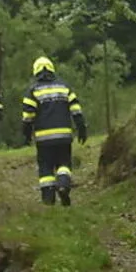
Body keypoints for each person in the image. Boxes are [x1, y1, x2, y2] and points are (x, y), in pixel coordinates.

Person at [22, 57, 86, 206]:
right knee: (64, 162)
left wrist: (26, 135)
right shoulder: (64, 87)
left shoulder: (33, 90)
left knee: (45, 166)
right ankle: (63, 185)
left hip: (43, 138)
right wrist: (81, 127)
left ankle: (48, 198)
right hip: (64, 135)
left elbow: (28, 116)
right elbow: (76, 109)